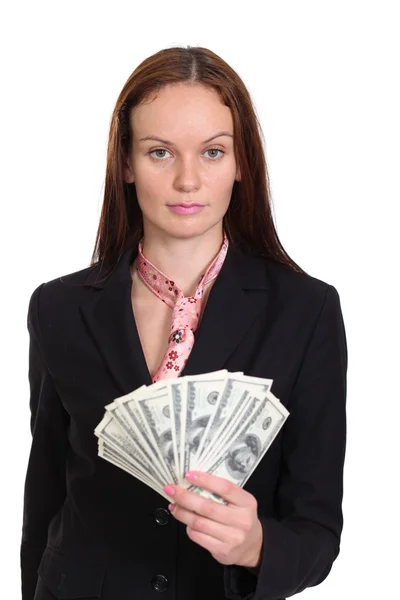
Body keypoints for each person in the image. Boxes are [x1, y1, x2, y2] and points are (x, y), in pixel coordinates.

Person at [20, 46, 348, 600]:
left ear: (242, 162)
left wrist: (257, 547)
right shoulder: (58, 309)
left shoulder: (307, 311)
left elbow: (317, 529)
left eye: (213, 152)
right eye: (160, 153)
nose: (188, 180)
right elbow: (45, 499)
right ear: (125, 163)